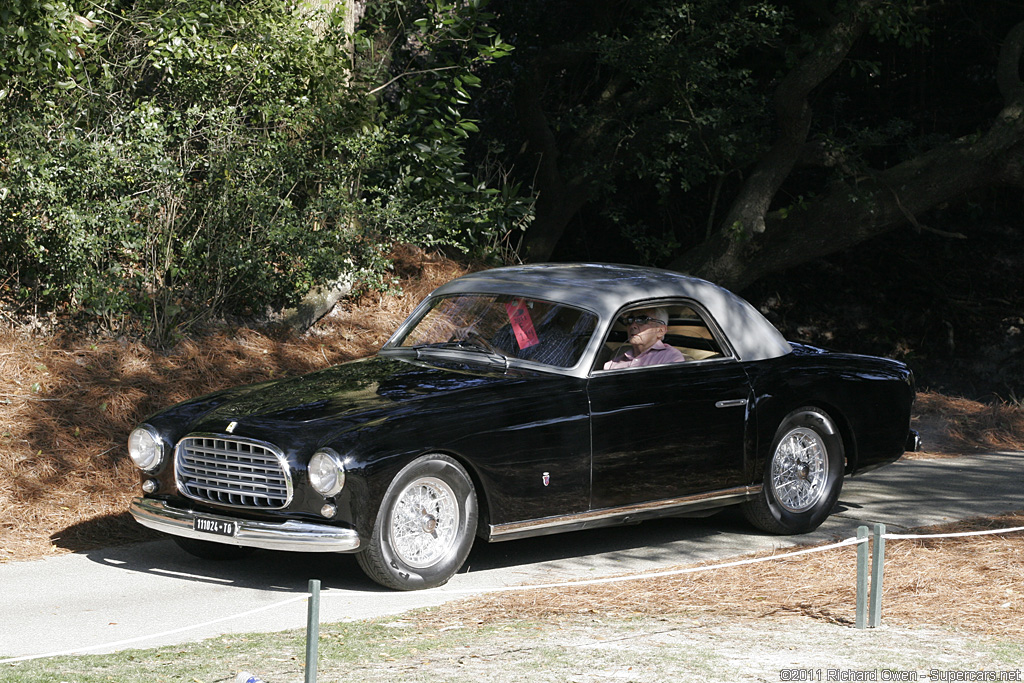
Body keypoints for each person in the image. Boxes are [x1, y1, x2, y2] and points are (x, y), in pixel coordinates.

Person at [603, 307, 687, 369]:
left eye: (642, 319)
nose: (632, 326)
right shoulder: (613, 363)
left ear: (661, 330)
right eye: (630, 320)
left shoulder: (670, 357)